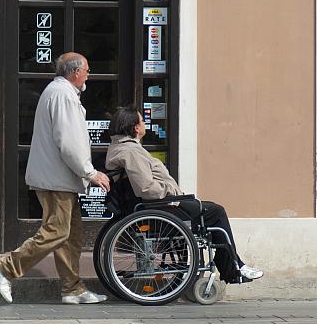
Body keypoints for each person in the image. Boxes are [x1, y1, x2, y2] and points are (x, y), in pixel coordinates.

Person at [0, 52, 111, 304]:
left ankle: (72, 288)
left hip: (59, 178)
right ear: (75, 72)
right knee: (57, 232)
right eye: (87, 70)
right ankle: (7, 266)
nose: (89, 74)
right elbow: (69, 142)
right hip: (56, 179)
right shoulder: (63, 95)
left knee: (70, 236)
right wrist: (90, 173)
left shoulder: (59, 92)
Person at [105, 106, 263, 284]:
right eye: (142, 121)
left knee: (208, 208)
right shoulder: (131, 152)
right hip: (158, 207)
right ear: (135, 128)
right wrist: (172, 192)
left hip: (155, 207)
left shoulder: (121, 148)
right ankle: (233, 267)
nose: (144, 124)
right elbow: (146, 188)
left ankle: (232, 265)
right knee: (216, 212)